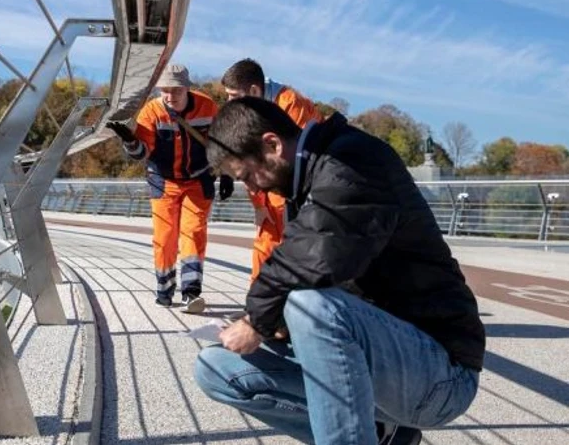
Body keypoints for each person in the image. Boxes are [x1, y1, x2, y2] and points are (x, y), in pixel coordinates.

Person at [194, 97, 485, 444]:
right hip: (384, 366)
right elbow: (326, 268)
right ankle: (381, 433)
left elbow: (316, 252)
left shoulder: (352, 160)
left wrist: (258, 320)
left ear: (272, 145)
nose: (253, 189)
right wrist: (276, 324)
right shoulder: (307, 183)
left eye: (248, 176)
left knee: (309, 306)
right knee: (216, 368)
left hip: (440, 374)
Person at [106, 64, 234, 313]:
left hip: (198, 179)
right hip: (163, 180)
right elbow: (142, 154)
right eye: (164, 90)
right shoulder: (151, 111)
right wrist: (131, 141)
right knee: (165, 239)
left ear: (187, 87)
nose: (169, 96)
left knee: (193, 232)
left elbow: (221, 143)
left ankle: (191, 293)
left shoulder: (207, 107)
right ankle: (164, 289)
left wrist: (227, 174)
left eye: (175, 90)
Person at [220, 58, 323, 283]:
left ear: (255, 90)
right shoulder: (248, 110)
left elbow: (288, 159)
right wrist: (259, 205)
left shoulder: (290, 104)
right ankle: (257, 308)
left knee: (290, 245)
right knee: (265, 237)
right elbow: (247, 160)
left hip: (299, 183)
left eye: (234, 96)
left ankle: (282, 306)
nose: (229, 102)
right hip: (273, 182)